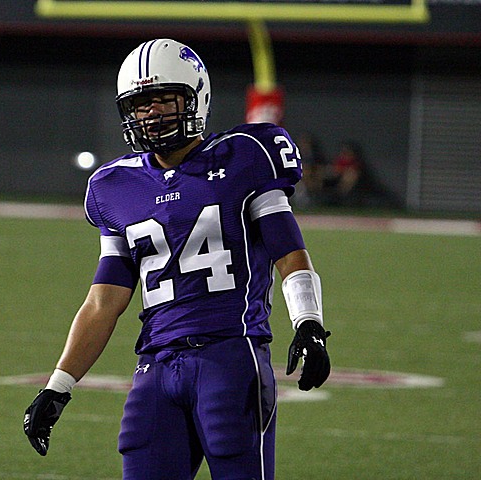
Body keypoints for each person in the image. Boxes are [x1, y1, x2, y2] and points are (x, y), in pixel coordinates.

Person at [23, 39, 331, 480]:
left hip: (230, 356)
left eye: (164, 100)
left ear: (195, 96)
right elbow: (104, 301)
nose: (152, 114)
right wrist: (59, 385)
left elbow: (289, 252)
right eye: (141, 104)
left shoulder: (246, 154)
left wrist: (309, 323)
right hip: (155, 366)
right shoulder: (115, 186)